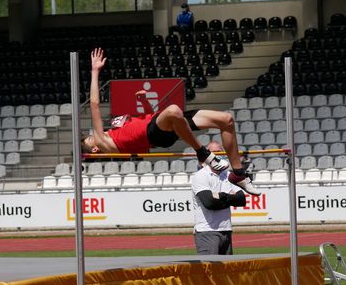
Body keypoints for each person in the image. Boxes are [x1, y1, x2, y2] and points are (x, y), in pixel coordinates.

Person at [82, 47, 261, 195]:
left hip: (160, 123)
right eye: (90, 139)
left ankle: (238, 175)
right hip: (156, 135)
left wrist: (144, 103)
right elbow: (95, 104)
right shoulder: (104, 142)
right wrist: (95, 71)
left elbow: (148, 118)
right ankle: (203, 153)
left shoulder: (115, 128)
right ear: (96, 149)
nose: (93, 135)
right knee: (174, 110)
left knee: (226, 120)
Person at [192, 141, 246, 255]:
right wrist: (230, 197)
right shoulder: (201, 176)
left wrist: (220, 196)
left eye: (219, 152)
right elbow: (210, 203)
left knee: (226, 271)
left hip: (226, 230)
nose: (217, 155)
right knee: (209, 271)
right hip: (207, 232)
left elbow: (241, 200)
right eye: (213, 152)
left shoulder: (227, 175)